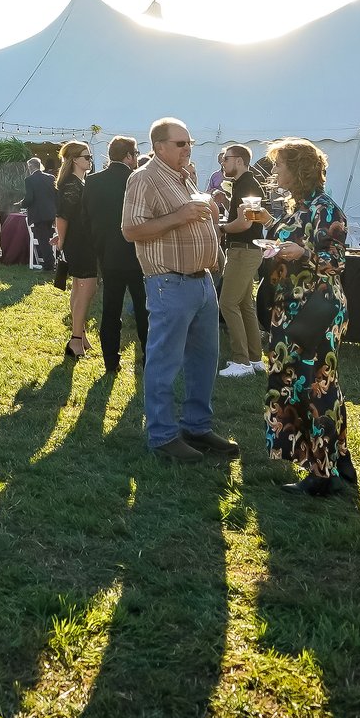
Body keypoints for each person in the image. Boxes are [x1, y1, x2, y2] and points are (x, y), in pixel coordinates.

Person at [123, 119, 238, 463]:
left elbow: (196, 220)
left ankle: (196, 426)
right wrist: (181, 215)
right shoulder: (142, 178)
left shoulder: (185, 176)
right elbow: (131, 230)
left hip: (201, 282)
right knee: (164, 362)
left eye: (189, 143)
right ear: (159, 146)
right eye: (180, 143)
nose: (187, 149)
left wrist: (215, 245)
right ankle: (161, 436)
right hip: (169, 283)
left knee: (204, 360)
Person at [259, 138, 354, 492]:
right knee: (297, 384)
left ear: (298, 169)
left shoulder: (324, 208)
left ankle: (322, 474)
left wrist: (303, 253)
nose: (275, 172)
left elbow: (337, 260)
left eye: (280, 165)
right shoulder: (297, 206)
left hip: (317, 308)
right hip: (291, 307)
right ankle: (337, 460)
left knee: (316, 386)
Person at [85, 136, 146, 374]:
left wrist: (98, 248)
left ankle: (111, 361)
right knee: (144, 310)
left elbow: (86, 219)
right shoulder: (137, 180)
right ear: (129, 156)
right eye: (136, 154)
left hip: (108, 254)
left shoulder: (92, 182)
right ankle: (148, 358)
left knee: (111, 310)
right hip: (139, 253)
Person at [213, 145, 270, 376]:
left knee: (227, 303)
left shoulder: (247, 184)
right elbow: (250, 218)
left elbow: (245, 223)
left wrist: (221, 228)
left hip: (243, 251)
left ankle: (241, 360)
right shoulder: (246, 184)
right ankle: (255, 358)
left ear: (238, 160)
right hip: (247, 250)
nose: (223, 164)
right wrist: (227, 205)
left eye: (225, 159)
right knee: (245, 304)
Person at [53, 141, 99, 359]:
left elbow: (67, 217)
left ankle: (80, 334)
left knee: (80, 289)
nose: (90, 160)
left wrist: (62, 237)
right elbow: (62, 215)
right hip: (80, 244)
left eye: (90, 157)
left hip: (80, 241)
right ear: (74, 160)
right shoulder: (72, 184)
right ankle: (76, 339)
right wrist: (62, 240)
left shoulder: (76, 182)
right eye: (86, 157)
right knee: (86, 288)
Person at [22, 155, 58, 272]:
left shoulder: (29, 180)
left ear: (31, 167)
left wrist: (21, 204)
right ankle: (52, 262)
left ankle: (48, 265)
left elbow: (29, 198)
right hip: (51, 213)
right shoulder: (51, 177)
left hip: (38, 214)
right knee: (48, 238)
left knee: (43, 240)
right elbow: (55, 195)